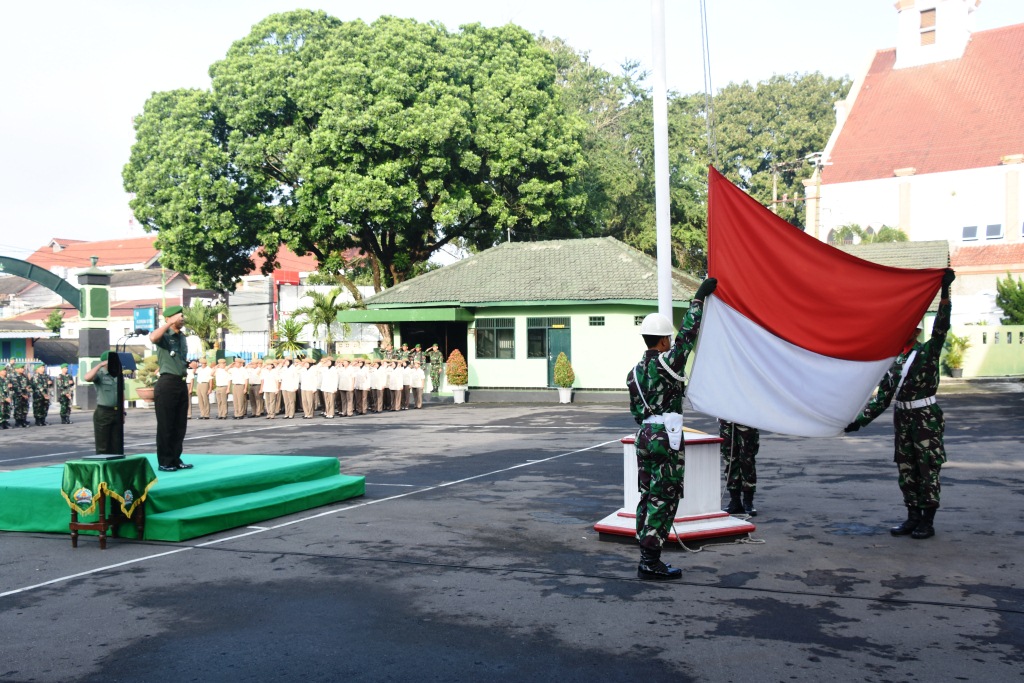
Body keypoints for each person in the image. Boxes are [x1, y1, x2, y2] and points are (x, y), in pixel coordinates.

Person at [845, 268, 956, 540]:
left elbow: (942, 325)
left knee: (927, 467)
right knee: (906, 468)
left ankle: (927, 521)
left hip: (925, 417)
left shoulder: (927, 352)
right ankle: (912, 517)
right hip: (903, 419)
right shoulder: (894, 361)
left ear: (916, 331)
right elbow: (883, 397)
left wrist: (945, 291)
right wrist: (859, 422)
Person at [627, 277, 717, 581]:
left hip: (644, 436)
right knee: (664, 497)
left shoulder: (634, 373)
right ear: (664, 340)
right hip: (666, 438)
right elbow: (689, 337)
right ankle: (650, 562)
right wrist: (699, 299)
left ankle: (646, 555)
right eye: (670, 338)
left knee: (647, 495)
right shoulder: (668, 362)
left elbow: (635, 412)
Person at [149, 305, 192, 472]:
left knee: (179, 425)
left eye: (182, 316)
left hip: (180, 382)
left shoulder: (182, 337)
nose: (182, 319)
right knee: (166, 425)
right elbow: (153, 338)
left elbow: (179, 359)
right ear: (170, 318)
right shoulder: (164, 336)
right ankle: (165, 461)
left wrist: (189, 364)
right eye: (178, 316)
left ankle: (175, 458)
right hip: (166, 384)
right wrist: (168, 324)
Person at [84, 351, 122, 454]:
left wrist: (123, 412)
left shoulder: (117, 374)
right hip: (103, 412)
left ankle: (115, 467)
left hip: (117, 412)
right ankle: (103, 467)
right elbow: (87, 377)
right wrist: (100, 365)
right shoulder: (100, 374)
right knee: (103, 444)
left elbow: (121, 394)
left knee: (117, 444)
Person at [719, 420, 759, 516]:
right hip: (726, 419)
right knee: (729, 458)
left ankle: (748, 501)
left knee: (747, 460)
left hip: (746, 419)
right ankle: (735, 500)